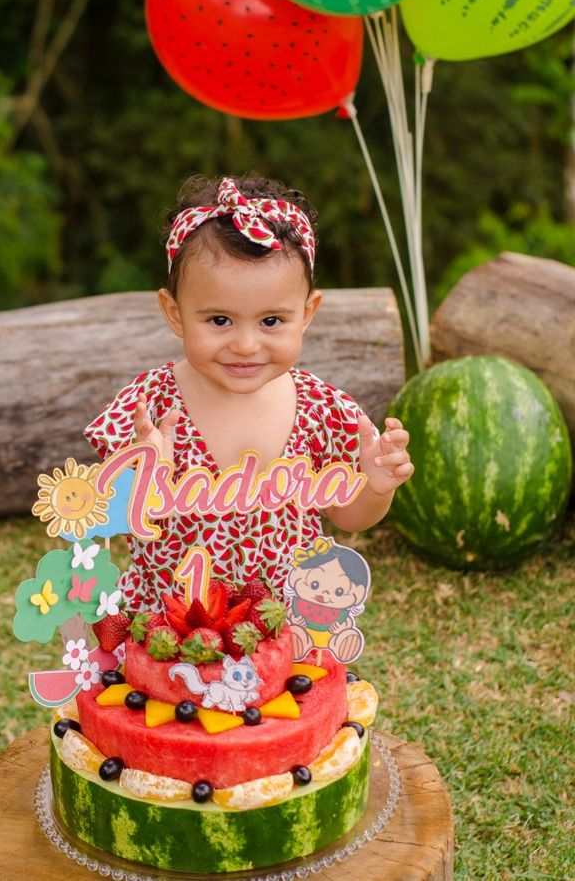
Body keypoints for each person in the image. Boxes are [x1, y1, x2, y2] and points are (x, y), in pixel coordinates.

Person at [84, 174, 413, 611]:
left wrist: (374, 487)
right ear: (175, 313)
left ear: (307, 313)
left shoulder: (324, 411)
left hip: (285, 624)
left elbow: (347, 518)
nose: (245, 344)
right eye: (219, 320)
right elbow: (104, 516)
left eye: (271, 321)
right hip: (171, 623)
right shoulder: (150, 404)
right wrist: (143, 476)